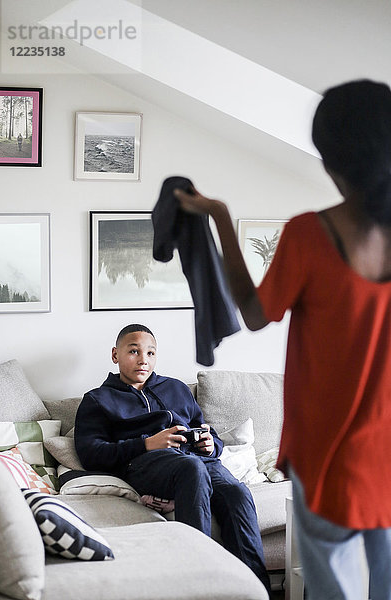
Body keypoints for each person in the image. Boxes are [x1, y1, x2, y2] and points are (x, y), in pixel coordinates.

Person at [175, 79, 391, 600]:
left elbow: (254, 314)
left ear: (330, 159)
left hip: (327, 455)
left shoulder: (310, 235)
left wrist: (221, 217)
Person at [74, 323, 272, 597]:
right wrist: (146, 444)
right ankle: (198, 585)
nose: (143, 359)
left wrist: (208, 444)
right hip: (146, 462)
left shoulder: (176, 389)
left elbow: (206, 431)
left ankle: (257, 590)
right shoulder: (98, 399)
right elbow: (90, 453)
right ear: (115, 355)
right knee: (189, 469)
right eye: (134, 351)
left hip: (198, 460)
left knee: (237, 492)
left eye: (151, 353)